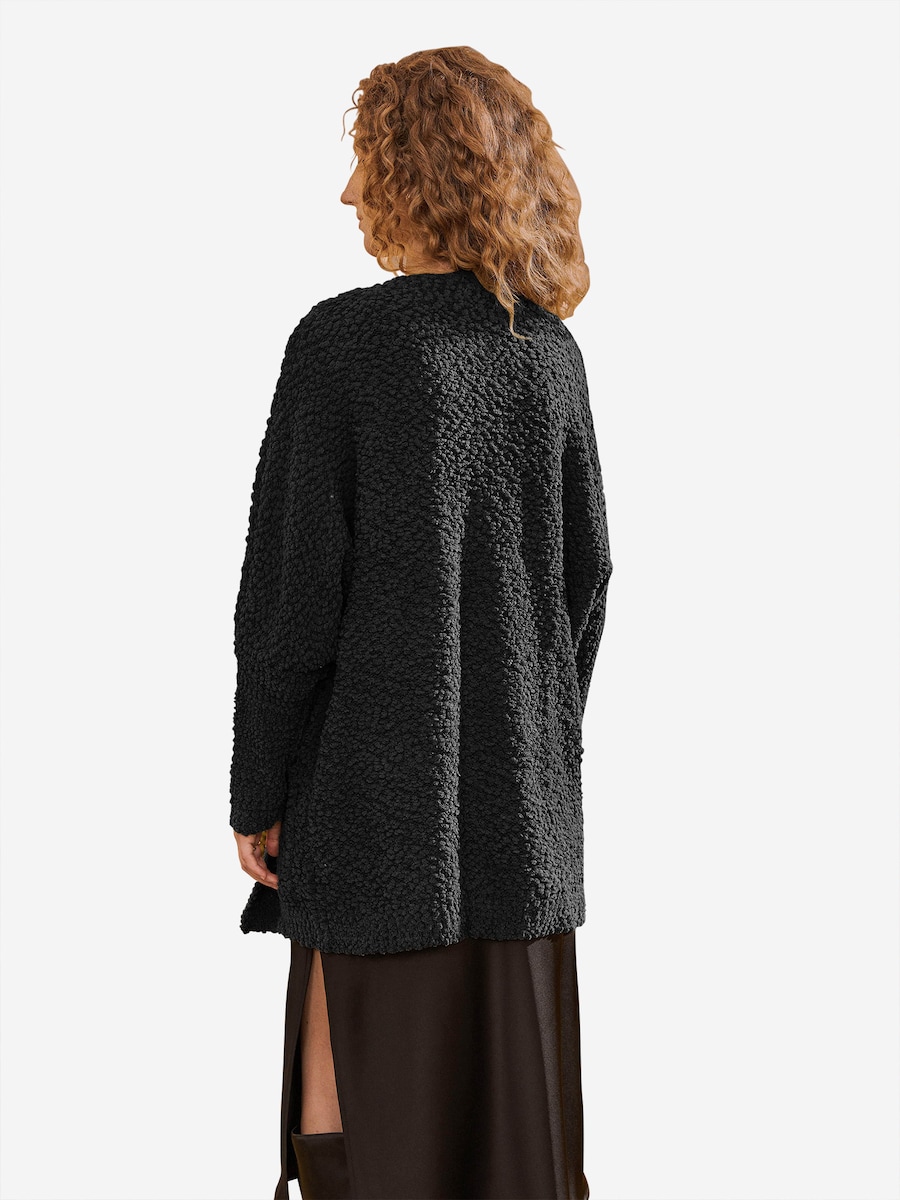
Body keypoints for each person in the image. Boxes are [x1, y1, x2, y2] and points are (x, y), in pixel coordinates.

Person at [229, 45, 613, 1200]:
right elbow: (587, 585)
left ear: (418, 172)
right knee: (510, 1153)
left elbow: (290, 607)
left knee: (346, 1129)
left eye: (367, 162)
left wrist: (257, 791)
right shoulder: (549, 356)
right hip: (524, 838)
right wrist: (527, 751)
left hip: (368, 825)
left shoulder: (344, 347)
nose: (348, 193)